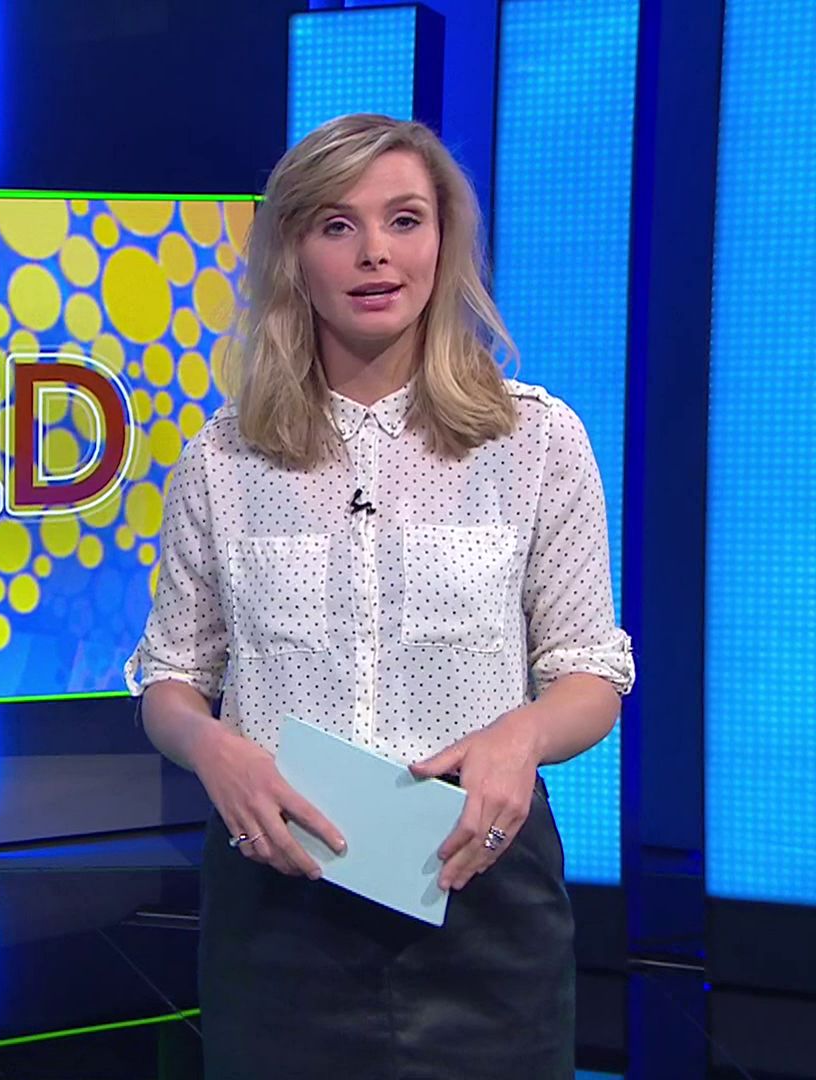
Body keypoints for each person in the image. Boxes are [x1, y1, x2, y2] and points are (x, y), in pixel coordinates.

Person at [124, 113, 636, 1079]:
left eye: (405, 220)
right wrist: (212, 747)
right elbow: (172, 677)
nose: (375, 254)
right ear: (293, 254)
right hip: (280, 893)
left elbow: (590, 674)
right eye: (337, 225)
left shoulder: (537, 441)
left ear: (444, 243)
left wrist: (521, 737)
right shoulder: (223, 458)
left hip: (480, 877)